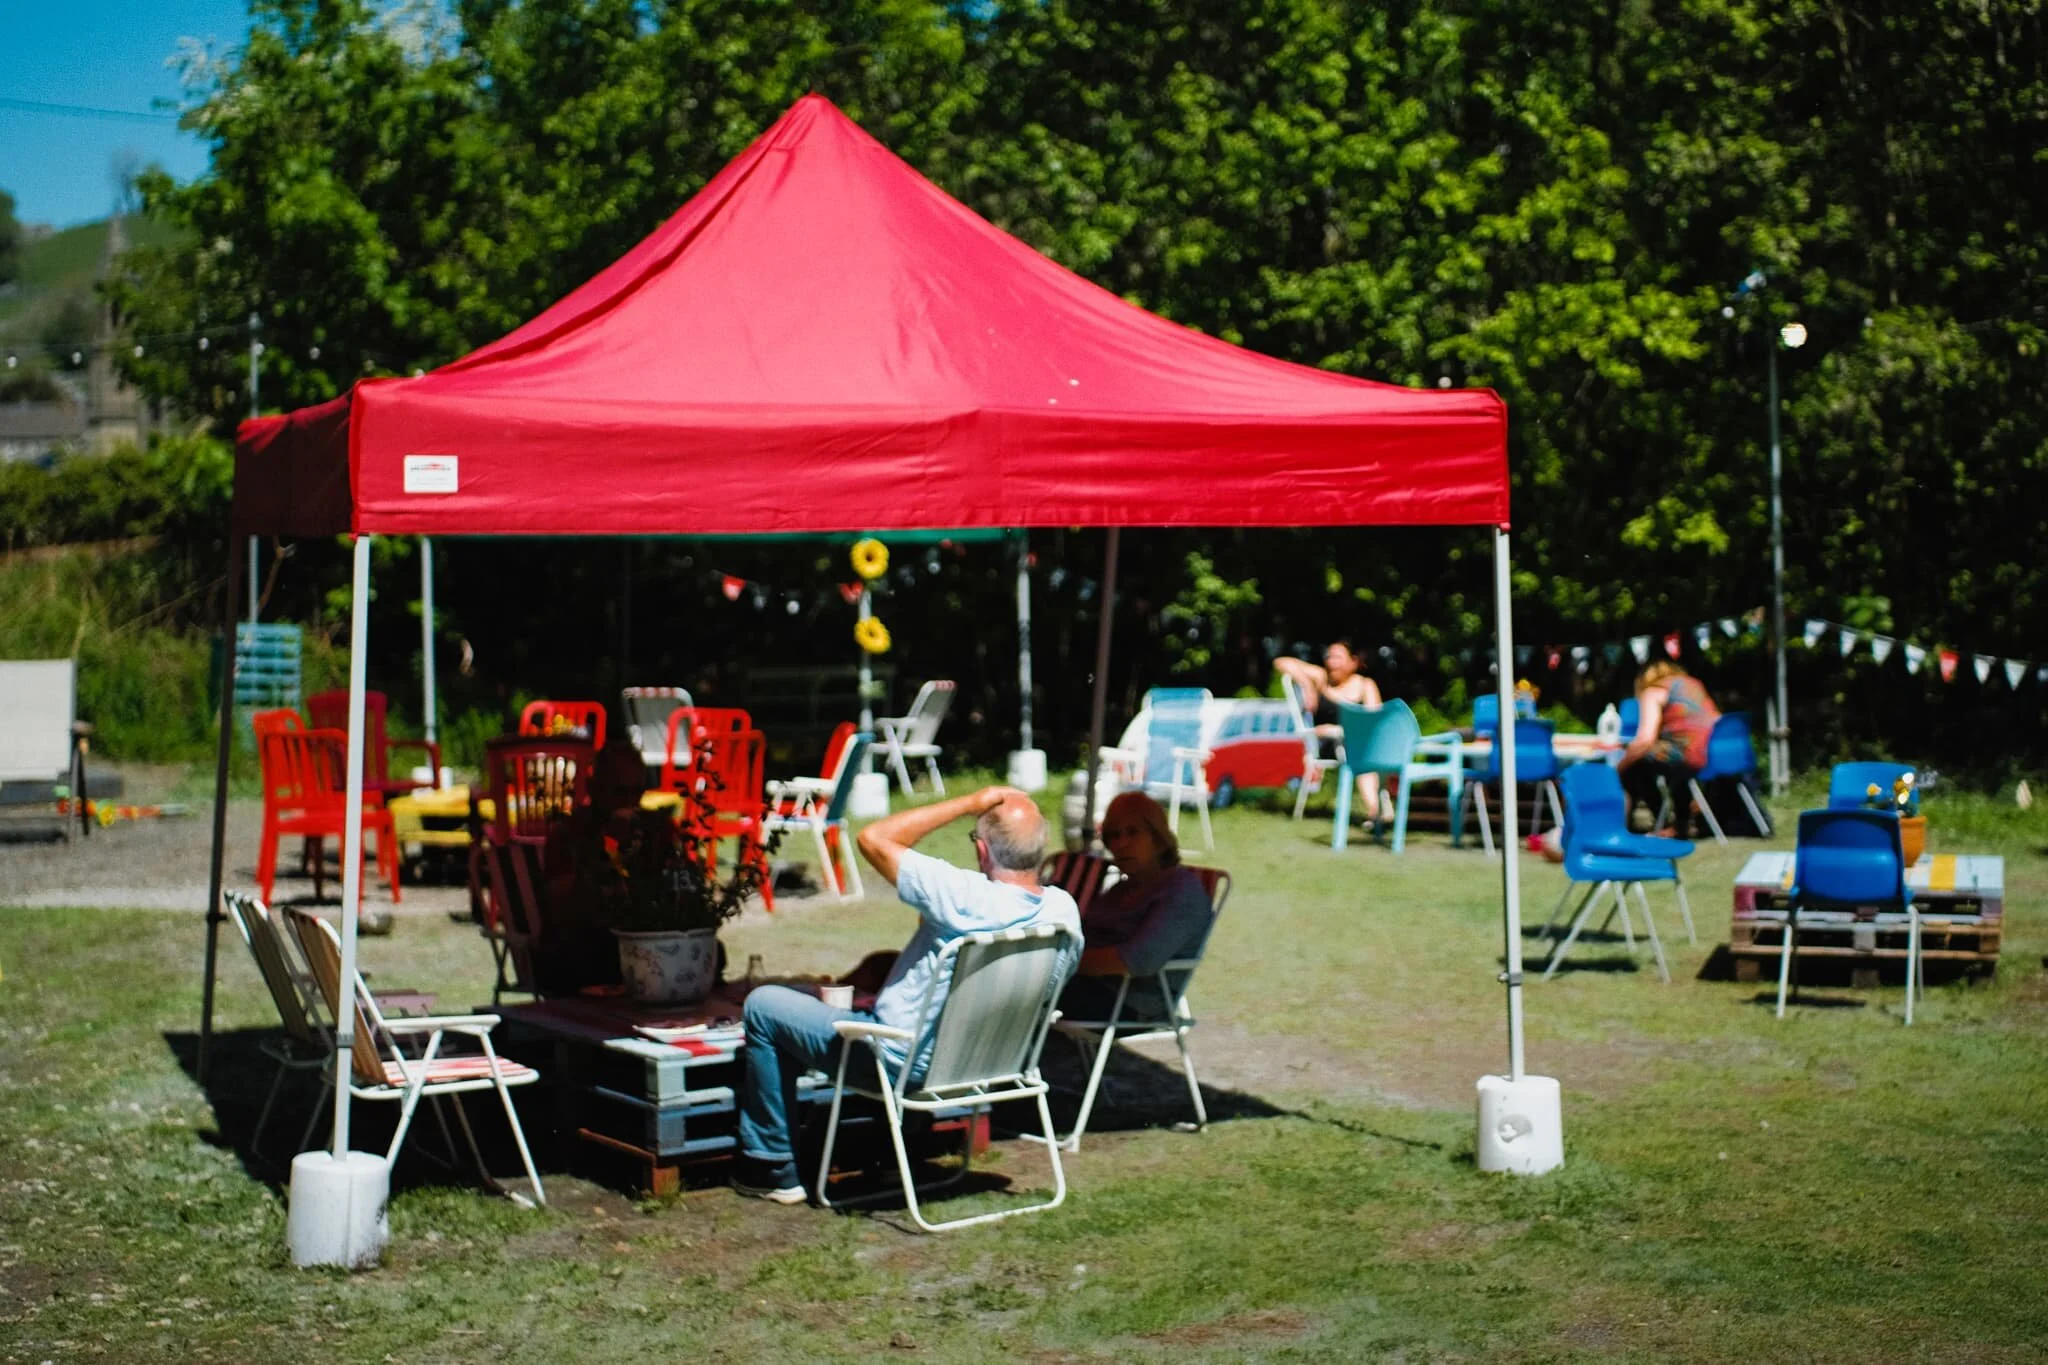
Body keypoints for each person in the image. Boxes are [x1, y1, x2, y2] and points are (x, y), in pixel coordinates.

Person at [732, 786, 1081, 1203]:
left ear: (983, 850)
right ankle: (893, 1155)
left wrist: (970, 802)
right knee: (888, 979)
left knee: (764, 1007)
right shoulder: (1063, 913)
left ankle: (772, 1167)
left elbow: (874, 838)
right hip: (993, 1062)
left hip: (904, 1065)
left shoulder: (961, 897)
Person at [1058, 792, 1215, 1022]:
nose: (1119, 844)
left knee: (1023, 989)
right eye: (1113, 835)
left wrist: (1060, 964)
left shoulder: (1181, 893)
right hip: (1092, 986)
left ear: (1158, 838)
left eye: (1133, 833)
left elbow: (1137, 960)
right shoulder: (1123, 887)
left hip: (1129, 1003)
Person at [1275, 640, 1385, 815]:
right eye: (1330, 656)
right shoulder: (1321, 678)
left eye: (1338, 657)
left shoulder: (1365, 685)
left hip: (1357, 742)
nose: (1332, 662)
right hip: (1327, 746)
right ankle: (1376, 812)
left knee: (1362, 751)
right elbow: (1281, 662)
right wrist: (1306, 683)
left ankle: (1376, 812)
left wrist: (1339, 730)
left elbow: (1374, 721)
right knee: (1361, 754)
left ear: (1353, 661)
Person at [1618, 661, 1721, 839]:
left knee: (1636, 764)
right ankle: (1679, 823)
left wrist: (1618, 768)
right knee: (1670, 765)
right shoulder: (1694, 685)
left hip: (1687, 755)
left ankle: (1654, 821)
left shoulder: (1653, 691)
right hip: (1714, 753)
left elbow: (1645, 740)